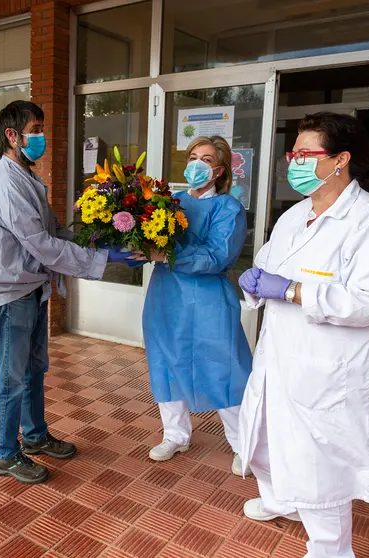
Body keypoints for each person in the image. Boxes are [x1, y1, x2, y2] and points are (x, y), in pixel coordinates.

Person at [237, 112, 369, 558]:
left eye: (305, 153)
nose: (293, 161)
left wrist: (292, 290)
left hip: (330, 367)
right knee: (265, 439)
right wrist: (255, 282)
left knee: (319, 466)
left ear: (341, 160)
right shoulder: (295, 213)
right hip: (279, 356)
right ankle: (278, 499)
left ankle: (331, 550)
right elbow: (270, 265)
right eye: (293, 152)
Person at [0, 100, 138, 484]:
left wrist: (99, 243)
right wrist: (99, 261)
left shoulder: (27, 178)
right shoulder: (5, 183)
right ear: (12, 136)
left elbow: (52, 233)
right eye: (34, 130)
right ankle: (4, 453)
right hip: (13, 293)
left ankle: (33, 437)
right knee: (13, 377)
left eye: (41, 128)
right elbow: (43, 245)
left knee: (34, 370)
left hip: (32, 287)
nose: (41, 137)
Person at [134, 136, 253, 476]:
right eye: (192, 157)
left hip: (208, 299)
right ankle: (175, 434)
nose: (197, 164)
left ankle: (243, 445)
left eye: (206, 159)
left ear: (218, 170)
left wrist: (166, 253)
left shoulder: (228, 208)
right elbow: (148, 240)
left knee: (224, 367)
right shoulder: (168, 203)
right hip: (166, 296)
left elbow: (219, 256)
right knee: (165, 363)